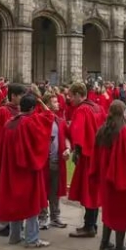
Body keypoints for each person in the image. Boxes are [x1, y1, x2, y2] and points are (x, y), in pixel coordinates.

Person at [0, 93, 54, 248]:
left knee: (15, 203)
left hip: (10, 170)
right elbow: (49, 116)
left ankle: (14, 236)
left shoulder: (9, 123)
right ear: (33, 107)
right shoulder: (30, 122)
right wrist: (42, 102)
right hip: (27, 170)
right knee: (31, 203)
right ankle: (32, 239)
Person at [93, 100, 126, 250]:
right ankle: (119, 249)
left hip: (105, 179)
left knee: (109, 212)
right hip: (122, 180)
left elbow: (96, 157)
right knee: (121, 213)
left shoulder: (102, 130)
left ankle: (105, 243)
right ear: (123, 112)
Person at [67, 82, 107, 238]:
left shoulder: (82, 109)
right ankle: (91, 224)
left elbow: (76, 131)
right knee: (94, 191)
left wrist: (75, 149)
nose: (70, 100)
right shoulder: (98, 108)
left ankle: (89, 226)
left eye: (71, 96)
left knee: (88, 192)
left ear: (78, 95)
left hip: (87, 155)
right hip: (98, 154)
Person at [0, 82, 27, 235]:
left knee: (16, 192)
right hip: (4, 157)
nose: (23, 98)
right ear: (14, 96)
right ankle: (0, 224)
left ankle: (14, 222)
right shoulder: (3, 112)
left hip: (17, 158)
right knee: (3, 191)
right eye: (21, 96)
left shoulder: (22, 111)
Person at [39, 92, 70, 230]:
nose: (58, 103)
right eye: (55, 101)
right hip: (43, 162)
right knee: (42, 190)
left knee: (55, 191)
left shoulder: (60, 121)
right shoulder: (39, 119)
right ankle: (42, 218)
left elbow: (68, 138)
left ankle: (55, 217)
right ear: (47, 104)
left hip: (57, 160)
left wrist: (68, 148)